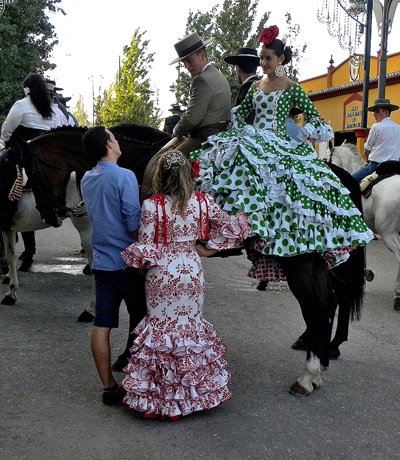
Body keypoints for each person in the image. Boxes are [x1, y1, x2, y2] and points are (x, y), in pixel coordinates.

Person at [190, 25, 373, 287]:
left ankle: (291, 236)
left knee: (291, 191)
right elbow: (242, 115)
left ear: (281, 60)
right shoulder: (256, 87)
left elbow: (308, 118)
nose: (263, 63)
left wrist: (300, 134)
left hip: (281, 142)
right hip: (254, 139)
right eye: (262, 58)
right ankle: (228, 232)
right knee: (223, 168)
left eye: (268, 58)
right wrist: (238, 129)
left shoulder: (291, 88)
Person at [120, 150, 251, 420]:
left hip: (162, 273)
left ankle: (157, 400)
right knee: (187, 331)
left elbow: (146, 248)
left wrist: (142, 269)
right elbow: (235, 228)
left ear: (160, 176)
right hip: (191, 270)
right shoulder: (204, 202)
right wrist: (211, 250)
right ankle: (187, 400)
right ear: (188, 175)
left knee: (160, 332)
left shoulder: (152, 206)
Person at [80, 126, 147, 405]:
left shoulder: (87, 177)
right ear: (109, 144)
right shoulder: (125, 176)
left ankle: (109, 386)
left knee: (102, 323)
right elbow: (133, 220)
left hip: (102, 262)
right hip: (127, 262)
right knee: (142, 319)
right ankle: (139, 377)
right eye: (115, 138)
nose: (118, 142)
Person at [0, 73, 57, 271]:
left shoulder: (21, 105)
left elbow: (6, 130)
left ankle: (4, 214)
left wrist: (6, 142)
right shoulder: (50, 109)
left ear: (26, 89)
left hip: (24, 152)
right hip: (48, 155)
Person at [169, 32, 232, 156]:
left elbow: (193, 117)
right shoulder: (218, 74)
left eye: (189, 60)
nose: (186, 66)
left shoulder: (201, 79)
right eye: (183, 62)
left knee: (169, 160)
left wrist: (177, 130)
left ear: (202, 55)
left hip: (205, 137)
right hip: (221, 133)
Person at [352, 98, 400, 182]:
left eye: (377, 111)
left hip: (376, 166)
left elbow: (367, 150)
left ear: (386, 112)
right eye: (374, 111)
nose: (374, 114)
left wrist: (367, 161)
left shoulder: (376, 127)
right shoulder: (398, 128)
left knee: (348, 181)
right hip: (395, 167)